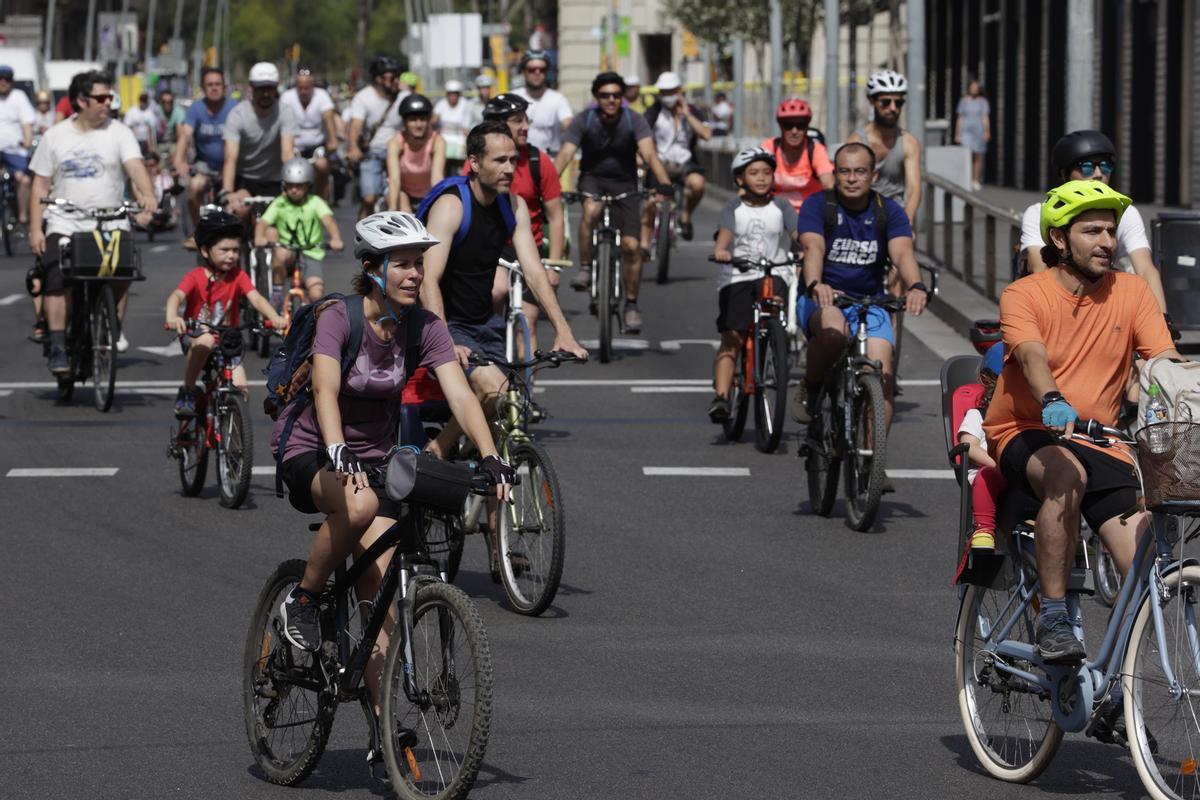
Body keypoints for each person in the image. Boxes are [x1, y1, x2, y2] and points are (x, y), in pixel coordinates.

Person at [272, 211, 515, 672]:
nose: (415, 274)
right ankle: (303, 599)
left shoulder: (424, 327)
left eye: (419, 263)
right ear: (372, 269)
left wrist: (490, 456)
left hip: (375, 461)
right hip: (311, 450)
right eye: (402, 263)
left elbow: (460, 395)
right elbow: (324, 389)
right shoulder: (338, 317)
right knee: (359, 507)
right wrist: (338, 448)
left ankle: (382, 735)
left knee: (380, 606)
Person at [983, 179, 1182, 664]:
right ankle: (1052, 616)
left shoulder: (1132, 293)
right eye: (1092, 231)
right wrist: (1052, 397)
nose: (1107, 243)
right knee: (1065, 475)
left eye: (1110, 232)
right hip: (1026, 429)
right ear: (1058, 240)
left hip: (1102, 440)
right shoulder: (1024, 294)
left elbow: (1165, 364)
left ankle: (1114, 682)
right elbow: (1030, 356)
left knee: (1145, 563)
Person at [419, 121, 588, 460]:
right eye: (499, 161)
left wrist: (563, 331)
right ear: (475, 162)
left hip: (484, 324)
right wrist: (445, 341)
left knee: (502, 427)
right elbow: (427, 279)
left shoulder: (512, 206)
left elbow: (535, 272)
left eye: (513, 160)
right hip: (446, 325)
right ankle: (437, 449)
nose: (509, 168)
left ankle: (492, 511)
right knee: (496, 391)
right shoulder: (452, 206)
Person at [794, 142, 928, 448]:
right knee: (832, 333)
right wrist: (816, 283)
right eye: (844, 171)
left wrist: (916, 286)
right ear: (835, 174)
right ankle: (811, 387)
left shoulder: (888, 210)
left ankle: (872, 459)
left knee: (883, 374)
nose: (852, 178)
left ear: (873, 174)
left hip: (871, 301)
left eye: (859, 171)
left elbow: (903, 253)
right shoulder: (819, 205)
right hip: (826, 298)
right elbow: (813, 247)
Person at [29, 69, 158, 373]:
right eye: (101, 98)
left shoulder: (120, 132)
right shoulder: (55, 136)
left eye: (110, 97)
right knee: (56, 277)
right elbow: (39, 185)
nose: (108, 103)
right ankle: (59, 345)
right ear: (81, 101)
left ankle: (109, 324)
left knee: (124, 268)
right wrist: (36, 228)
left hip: (110, 220)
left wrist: (148, 195)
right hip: (65, 221)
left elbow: (136, 167)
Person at [554, 72, 672, 333]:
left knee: (631, 246)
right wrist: (549, 185)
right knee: (591, 210)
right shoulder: (584, 120)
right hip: (592, 179)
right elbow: (565, 154)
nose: (611, 100)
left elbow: (650, 154)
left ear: (622, 98)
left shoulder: (634, 120)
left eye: (616, 96)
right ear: (596, 98)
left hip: (625, 183)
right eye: (605, 96)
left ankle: (631, 304)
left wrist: (664, 184)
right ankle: (586, 267)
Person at [1020, 130, 1171, 324]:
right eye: (1087, 167)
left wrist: (1164, 322)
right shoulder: (1038, 213)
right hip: (1057, 305)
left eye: (1106, 166)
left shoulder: (1125, 212)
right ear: (1064, 173)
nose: (1099, 174)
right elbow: (1038, 266)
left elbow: (1145, 269)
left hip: (1103, 301)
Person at [165, 211, 285, 417]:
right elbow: (176, 296)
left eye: (236, 250)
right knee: (206, 340)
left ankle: (234, 446)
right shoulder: (195, 276)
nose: (232, 255)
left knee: (241, 392)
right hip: (197, 335)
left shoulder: (238, 275)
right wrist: (172, 316)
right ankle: (188, 390)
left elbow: (255, 298)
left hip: (228, 339)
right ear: (204, 251)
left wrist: (274, 317)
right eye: (225, 250)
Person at [709, 147, 798, 422]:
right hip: (738, 275)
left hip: (774, 272)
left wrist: (807, 247)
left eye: (767, 173)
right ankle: (722, 397)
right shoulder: (733, 206)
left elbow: (797, 232)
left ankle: (775, 341)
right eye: (754, 173)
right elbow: (724, 234)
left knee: (774, 306)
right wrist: (722, 250)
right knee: (732, 335)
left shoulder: (781, 206)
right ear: (740, 179)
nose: (761, 178)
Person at [479, 93, 566, 353]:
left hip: (530, 247)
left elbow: (556, 216)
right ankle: (492, 353)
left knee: (528, 323)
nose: (526, 127)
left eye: (526, 120)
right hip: (493, 248)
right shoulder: (478, 162)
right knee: (496, 291)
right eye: (518, 121)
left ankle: (525, 390)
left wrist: (554, 266)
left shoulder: (540, 161)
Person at [255, 158, 345, 305]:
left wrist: (336, 238)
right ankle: (277, 293)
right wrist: (259, 237)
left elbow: (329, 221)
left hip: (311, 253)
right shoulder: (280, 203)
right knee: (280, 251)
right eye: (290, 186)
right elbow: (264, 223)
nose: (294, 190)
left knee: (316, 293)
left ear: (307, 185)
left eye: (299, 186)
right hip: (288, 252)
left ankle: (311, 319)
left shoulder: (315, 202)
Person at [222, 62, 298, 223]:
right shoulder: (237, 114)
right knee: (238, 212)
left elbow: (287, 154)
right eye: (260, 88)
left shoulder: (285, 112)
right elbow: (230, 158)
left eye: (269, 88)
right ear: (251, 88)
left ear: (276, 88)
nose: (265, 93)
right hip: (245, 180)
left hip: (275, 180)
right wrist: (228, 193)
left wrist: (293, 185)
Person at [641, 71, 711, 244]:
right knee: (650, 203)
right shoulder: (654, 111)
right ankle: (644, 243)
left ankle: (686, 216)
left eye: (671, 92)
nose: (668, 96)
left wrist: (686, 114)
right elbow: (642, 135)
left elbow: (706, 134)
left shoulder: (693, 111)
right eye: (664, 92)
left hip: (685, 163)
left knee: (698, 184)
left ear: (679, 91)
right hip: (660, 163)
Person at [845, 69, 922, 226]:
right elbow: (848, 186)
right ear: (872, 101)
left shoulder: (909, 142)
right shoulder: (857, 142)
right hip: (861, 215)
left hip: (895, 214)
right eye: (885, 102)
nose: (892, 108)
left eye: (898, 102)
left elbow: (914, 188)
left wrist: (906, 221)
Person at [175, 68, 238, 248]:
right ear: (203, 87)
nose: (214, 88)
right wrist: (179, 160)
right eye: (209, 85)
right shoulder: (196, 109)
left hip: (232, 166)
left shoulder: (234, 107)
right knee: (194, 188)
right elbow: (185, 135)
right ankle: (199, 231)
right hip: (205, 166)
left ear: (224, 87)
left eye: (218, 84)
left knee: (235, 205)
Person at [956, 341, 1006, 552]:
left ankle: (1070, 536)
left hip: (1024, 473)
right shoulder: (978, 415)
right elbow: (969, 445)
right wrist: (997, 464)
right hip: (993, 470)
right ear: (989, 381)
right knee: (987, 477)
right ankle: (984, 529)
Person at [348, 56, 402, 219]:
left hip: (398, 153)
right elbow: (356, 125)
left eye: (396, 76)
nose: (395, 81)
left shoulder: (403, 96)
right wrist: (353, 147)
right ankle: (361, 235)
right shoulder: (363, 98)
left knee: (399, 197)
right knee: (369, 199)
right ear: (378, 79)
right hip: (372, 153)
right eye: (391, 77)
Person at [760, 98, 834, 213]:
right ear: (780, 126)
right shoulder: (770, 147)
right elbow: (752, 182)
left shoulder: (815, 149)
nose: (794, 131)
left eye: (800, 125)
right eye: (788, 125)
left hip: (809, 213)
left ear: (807, 126)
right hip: (774, 213)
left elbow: (829, 184)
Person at [279, 69, 339, 201]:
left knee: (322, 166)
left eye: (306, 88)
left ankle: (322, 201)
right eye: (300, 88)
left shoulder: (322, 96)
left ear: (313, 86)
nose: (303, 92)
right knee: (288, 166)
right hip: (295, 146)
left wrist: (332, 140)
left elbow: (329, 118)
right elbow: (283, 123)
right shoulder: (287, 97)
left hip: (317, 147)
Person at [385, 93, 444, 213]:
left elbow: (437, 178)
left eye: (422, 119)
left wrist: (439, 207)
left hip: (428, 192)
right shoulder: (395, 143)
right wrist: (391, 210)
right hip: (402, 192)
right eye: (413, 120)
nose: (418, 125)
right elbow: (394, 180)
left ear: (428, 121)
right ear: (404, 122)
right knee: (407, 219)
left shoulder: (437, 141)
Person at [514, 50, 573, 157]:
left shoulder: (558, 99)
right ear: (523, 71)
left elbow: (569, 124)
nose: (537, 73)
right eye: (532, 69)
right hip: (519, 163)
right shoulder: (513, 98)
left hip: (550, 162)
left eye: (542, 69)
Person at [0, 65, 35, 226]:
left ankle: (22, 215)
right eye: (0, 79)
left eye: (6, 79)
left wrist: (27, 141)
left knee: (24, 180)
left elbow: (27, 122)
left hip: (15, 150)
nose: (3, 82)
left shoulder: (19, 97)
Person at [955, 80, 991, 191]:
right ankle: (966, 179)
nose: (974, 89)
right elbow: (960, 118)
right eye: (973, 87)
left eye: (976, 87)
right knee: (967, 156)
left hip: (978, 131)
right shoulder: (963, 101)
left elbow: (985, 117)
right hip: (966, 131)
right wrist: (957, 133)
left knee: (977, 157)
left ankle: (975, 180)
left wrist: (987, 131)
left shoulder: (982, 102)